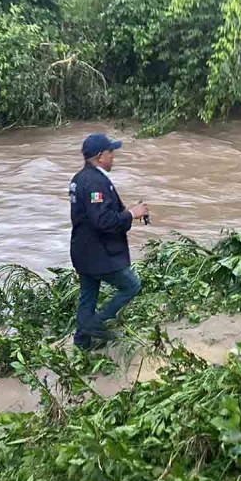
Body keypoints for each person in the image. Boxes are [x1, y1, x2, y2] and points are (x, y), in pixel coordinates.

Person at [69, 133, 149, 350]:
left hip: (83, 251)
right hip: (98, 253)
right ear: (100, 155)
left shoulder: (80, 178)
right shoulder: (95, 182)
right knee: (131, 285)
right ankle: (96, 324)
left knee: (88, 296)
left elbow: (96, 214)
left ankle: (81, 343)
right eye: (111, 152)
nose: (113, 156)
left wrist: (126, 212)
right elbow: (102, 221)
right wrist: (132, 213)